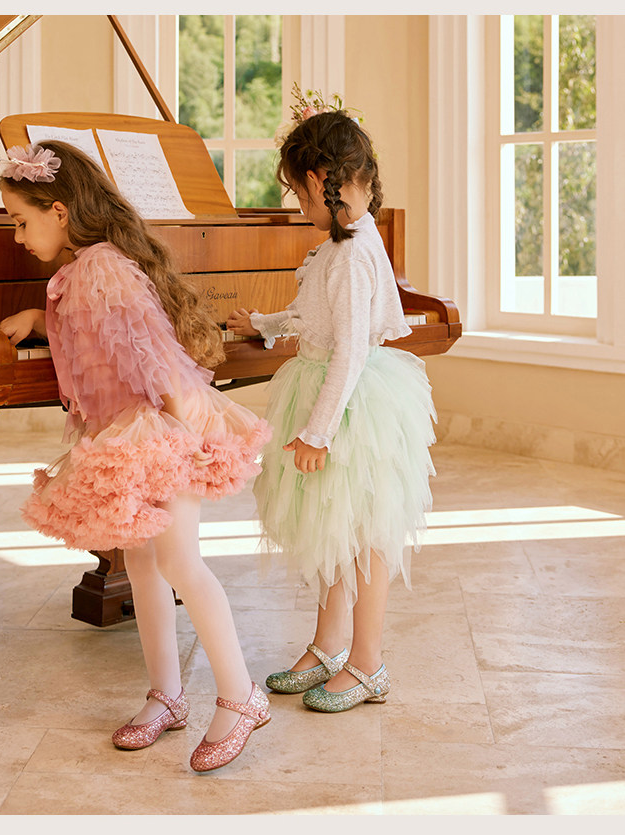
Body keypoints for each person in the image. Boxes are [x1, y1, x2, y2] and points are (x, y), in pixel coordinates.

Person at [0, 141, 271, 771]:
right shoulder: (85, 269)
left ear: (59, 211)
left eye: (20, 221)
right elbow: (96, 336)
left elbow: (153, 355)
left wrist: (187, 435)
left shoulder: (100, 268)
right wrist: (39, 317)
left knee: (179, 562)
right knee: (143, 563)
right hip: (129, 433)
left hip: (159, 432)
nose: (16, 237)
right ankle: (167, 695)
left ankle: (241, 696)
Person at [227, 109, 436, 712]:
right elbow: (313, 313)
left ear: (322, 181)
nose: (299, 207)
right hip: (330, 389)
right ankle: (328, 645)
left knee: (363, 533)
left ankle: (368, 663)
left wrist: (317, 433)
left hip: (347, 406)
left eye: (298, 193)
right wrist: (264, 323)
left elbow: (348, 348)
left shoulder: (348, 256)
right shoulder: (346, 242)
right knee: (332, 525)